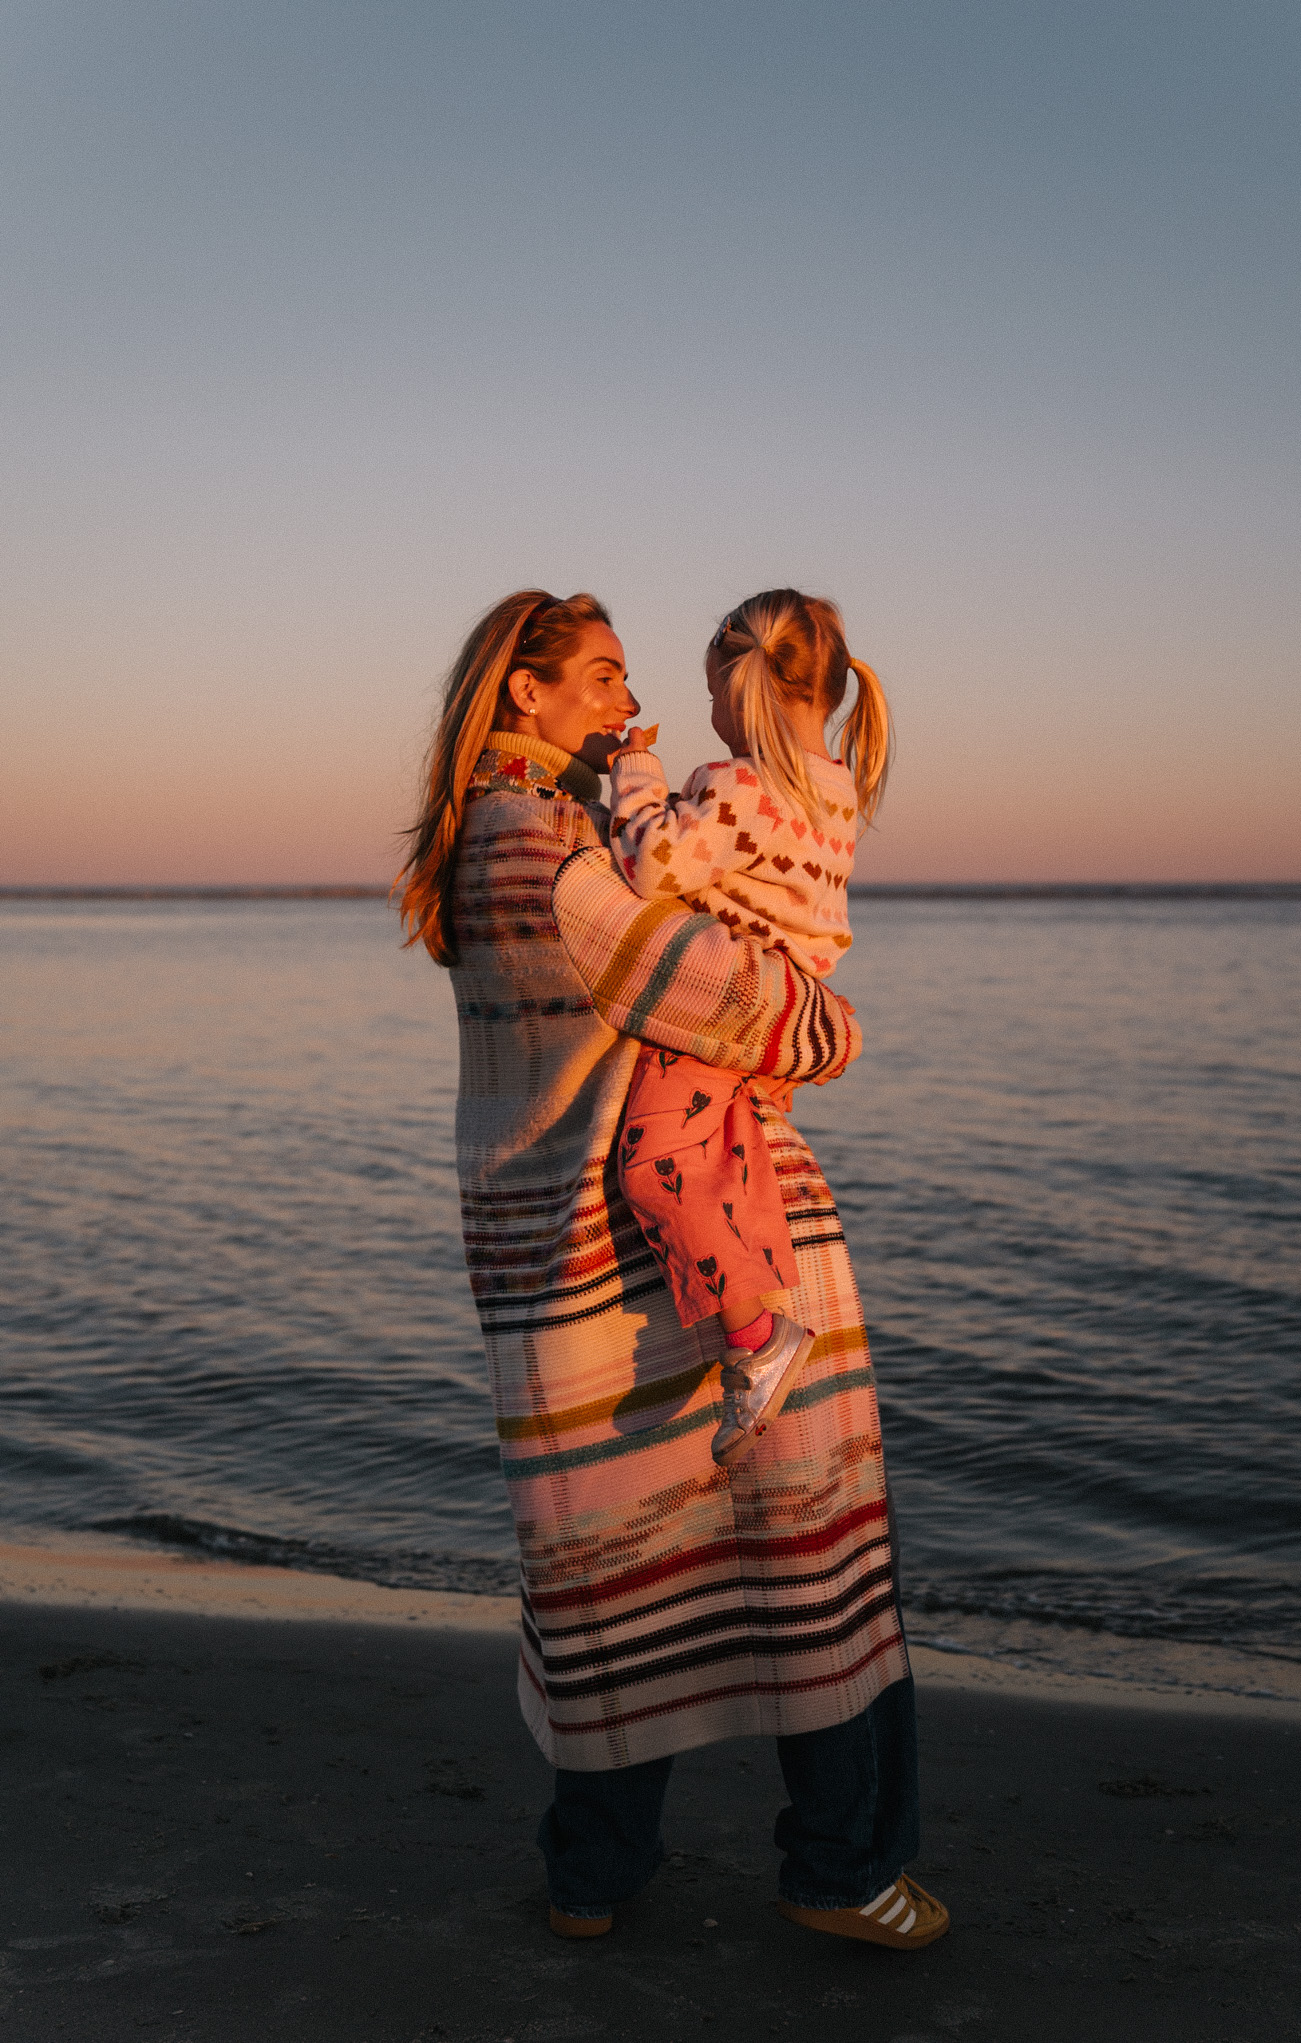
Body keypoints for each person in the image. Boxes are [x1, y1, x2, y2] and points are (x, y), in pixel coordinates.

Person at [398, 588, 948, 1952]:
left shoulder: (511, 831)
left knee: (615, 1573)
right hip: (675, 1257)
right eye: (598, 675)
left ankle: (596, 1874)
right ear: (525, 696)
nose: (620, 697)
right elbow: (758, 1007)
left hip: (573, 1266)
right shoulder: (540, 847)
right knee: (810, 1562)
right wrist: (829, 1019)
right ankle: (842, 1863)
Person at [607, 590, 891, 1469]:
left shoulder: (734, 788)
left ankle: (757, 1334)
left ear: (745, 691)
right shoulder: (837, 790)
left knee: (654, 1167)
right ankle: (754, 1317)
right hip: (782, 1017)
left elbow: (651, 867)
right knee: (726, 1163)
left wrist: (635, 777)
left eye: (712, 695)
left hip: (715, 1015)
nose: (709, 715)